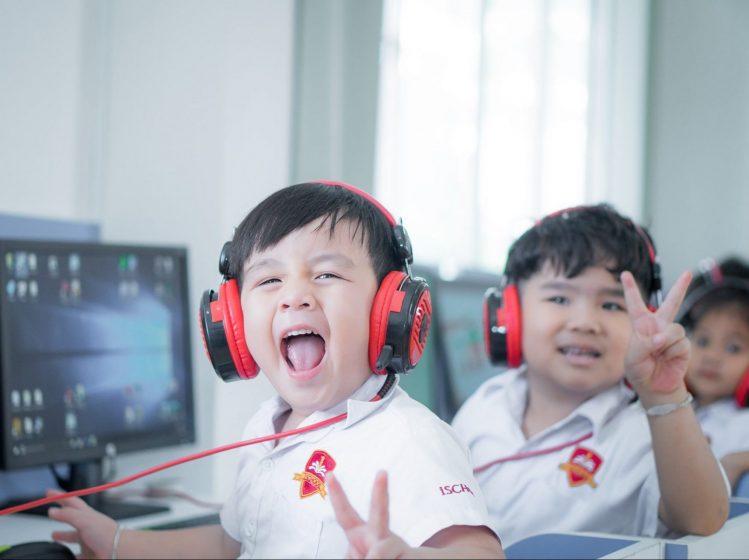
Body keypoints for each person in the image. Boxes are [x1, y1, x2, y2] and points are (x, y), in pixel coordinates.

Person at [46, 181, 503, 559]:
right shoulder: (265, 428)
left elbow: (480, 553)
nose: (294, 296)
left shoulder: (410, 438)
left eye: (326, 275)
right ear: (233, 322)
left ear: (391, 309)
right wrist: (118, 542)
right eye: (269, 280)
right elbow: (231, 545)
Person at [452, 204, 729, 547]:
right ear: (509, 314)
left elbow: (704, 517)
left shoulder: (646, 434)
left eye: (612, 305)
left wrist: (664, 397)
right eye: (559, 298)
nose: (585, 323)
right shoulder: (484, 406)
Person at [678, 256, 749, 491]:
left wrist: (738, 461)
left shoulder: (743, 423)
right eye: (702, 341)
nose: (712, 357)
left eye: (733, 348)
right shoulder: (663, 412)